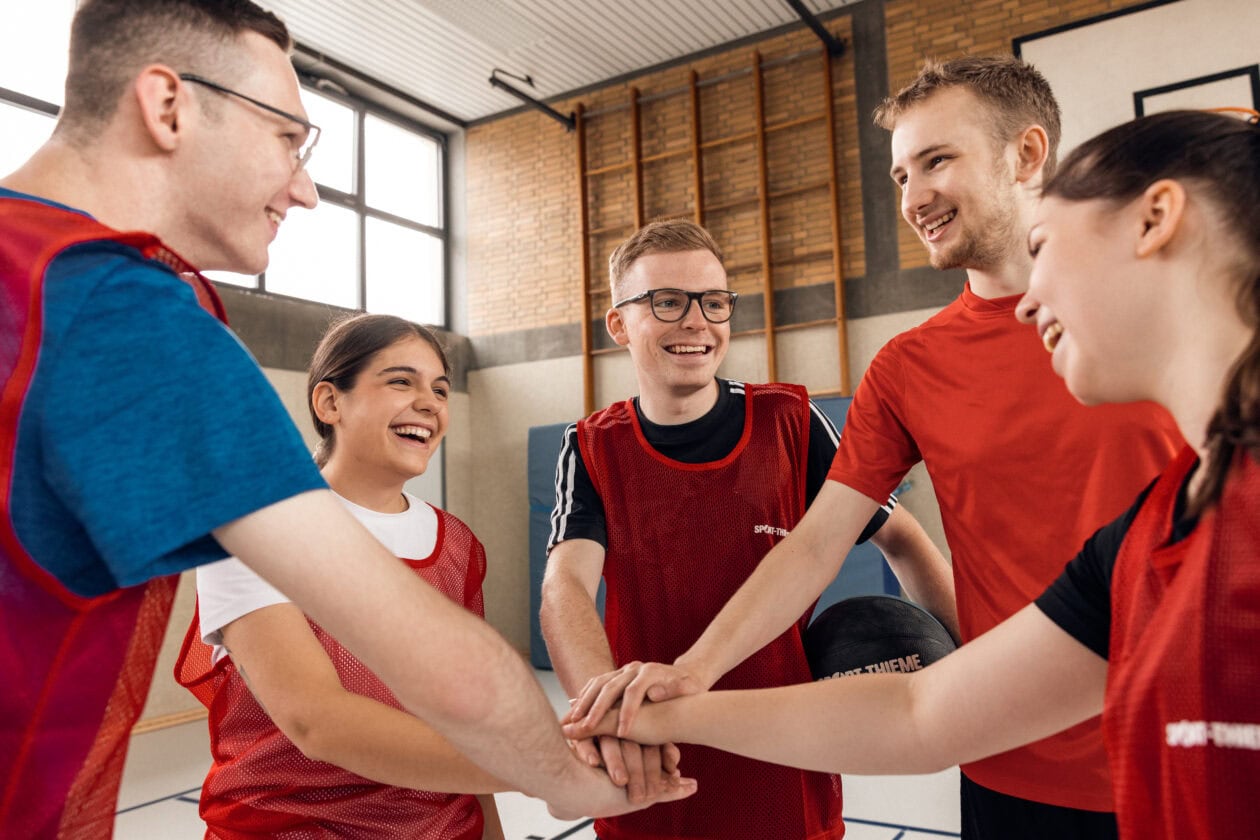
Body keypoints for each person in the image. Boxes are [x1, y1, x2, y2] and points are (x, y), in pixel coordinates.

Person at [0, 2, 689, 836]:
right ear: (168, 105)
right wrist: (576, 775)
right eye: (288, 137)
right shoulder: (129, 314)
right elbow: (432, 671)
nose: (307, 187)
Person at [564, 107, 1260, 840]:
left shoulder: (787, 422)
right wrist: (656, 706)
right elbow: (918, 715)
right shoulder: (1141, 546)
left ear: (1156, 220)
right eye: (900, 174)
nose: (1028, 297)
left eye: (1045, 243)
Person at [541, 218, 957, 840]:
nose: (696, 321)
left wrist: (971, 660)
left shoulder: (790, 420)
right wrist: (605, 712)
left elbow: (902, 536)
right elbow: (565, 586)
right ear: (620, 324)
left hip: (785, 769)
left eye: (713, 302)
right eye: (667, 302)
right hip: (655, 762)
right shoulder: (591, 446)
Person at [174, 314, 506, 838]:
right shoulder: (258, 525)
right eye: (401, 380)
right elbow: (317, 721)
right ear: (330, 403)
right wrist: (545, 766)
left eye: (440, 389)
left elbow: (468, 715)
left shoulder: (457, 543)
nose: (430, 403)